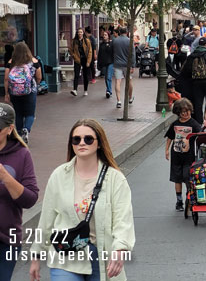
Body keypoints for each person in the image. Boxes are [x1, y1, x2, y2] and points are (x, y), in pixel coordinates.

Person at [30, 119, 135, 281]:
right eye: (76, 139)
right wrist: (36, 255)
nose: (82, 143)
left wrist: (119, 249)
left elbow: (123, 221)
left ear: (99, 143)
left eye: (88, 139)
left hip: (102, 257)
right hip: (66, 256)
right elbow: (46, 220)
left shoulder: (115, 179)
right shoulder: (59, 176)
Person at [0, 103, 38, 279]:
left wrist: (5, 176)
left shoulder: (21, 154)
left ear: (10, 129)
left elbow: (30, 199)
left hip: (7, 240)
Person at [164, 98, 202, 212]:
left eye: (187, 111)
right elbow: (170, 137)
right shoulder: (175, 124)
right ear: (178, 113)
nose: (185, 114)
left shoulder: (194, 124)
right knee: (177, 178)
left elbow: (200, 137)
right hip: (176, 155)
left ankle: (189, 198)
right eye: (182, 112)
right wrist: (166, 150)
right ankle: (179, 200)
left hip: (189, 156)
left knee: (187, 177)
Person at [3, 42, 42, 143]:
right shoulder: (34, 61)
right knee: (30, 114)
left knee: (19, 113)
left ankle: (19, 134)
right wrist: (35, 84)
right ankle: (26, 129)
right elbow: (39, 77)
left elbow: (6, 78)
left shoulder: (11, 62)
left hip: (14, 92)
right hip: (30, 91)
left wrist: (7, 93)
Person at [176, 37, 206, 124]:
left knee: (198, 103)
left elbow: (186, 70)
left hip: (196, 82)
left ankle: (199, 121)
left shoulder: (192, 55)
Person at [112, 27, 136, 109]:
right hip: (127, 64)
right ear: (126, 32)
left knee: (118, 81)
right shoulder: (130, 41)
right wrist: (133, 65)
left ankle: (118, 101)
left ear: (119, 32)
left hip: (117, 64)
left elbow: (112, 52)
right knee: (129, 80)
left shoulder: (115, 40)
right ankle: (130, 98)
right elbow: (133, 54)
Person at [69, 28, 92, 97]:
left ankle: (85, 90)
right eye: (78, 32)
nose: (80, 33)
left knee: (85, 75)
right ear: (77, 33)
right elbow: (70, 50)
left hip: (85, 59)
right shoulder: (74, 41)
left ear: (83, 33)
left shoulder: (86, 41)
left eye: (81, 32)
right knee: (76, 74)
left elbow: (90, 51)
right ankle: (75, 90)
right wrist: (74, 56)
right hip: (77, 60)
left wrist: (88, 61)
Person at [97, 31, 114, 99]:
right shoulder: (101, 44)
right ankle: (108, 90)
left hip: (110, 62)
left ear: (108, 36)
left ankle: (109, 91)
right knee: (105, 77)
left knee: (108, 77)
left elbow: (112, 52)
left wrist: (108, 45)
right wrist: (98, 64)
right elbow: (99, 54)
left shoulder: (111, 44)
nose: (104, 36)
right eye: (103, 35)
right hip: (104, 63)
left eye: (105, 35)